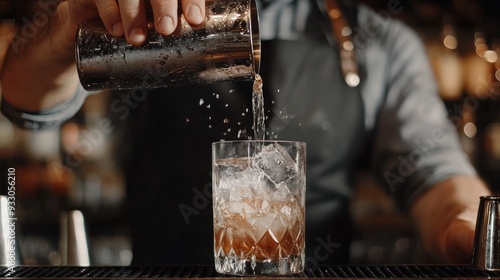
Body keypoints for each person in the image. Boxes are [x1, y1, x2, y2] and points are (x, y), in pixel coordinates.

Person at [0, 0, 492, 265]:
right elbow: (25, 106)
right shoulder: (154, 19)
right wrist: (68, 27)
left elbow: (435, 174)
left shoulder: (382, 43)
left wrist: (471, 227)